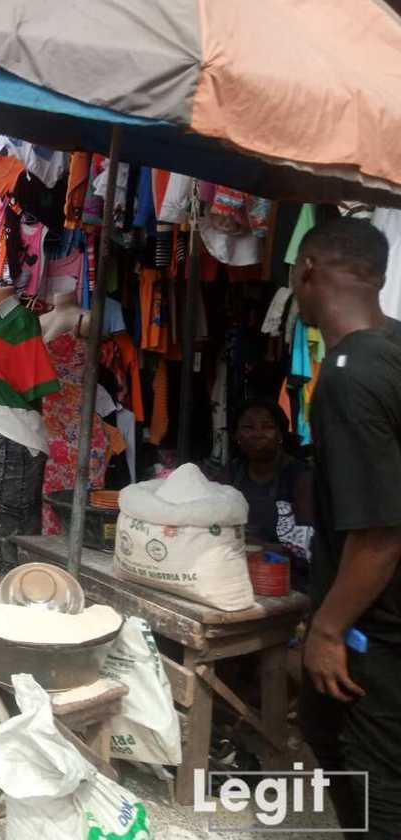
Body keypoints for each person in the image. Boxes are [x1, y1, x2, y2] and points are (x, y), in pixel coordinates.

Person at [292, 217, 401, 838]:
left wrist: (328, 629)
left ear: (306, 268)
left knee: (371, 780)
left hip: (373, 631)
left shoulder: (346, 376)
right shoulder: (392, 346)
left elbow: (381, 532)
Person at [223, 398, 314, 582]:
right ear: (237, 436)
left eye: (267, 427)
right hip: (240, 573)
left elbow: (310, 545)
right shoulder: (231, 473)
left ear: (280, 434)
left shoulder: (301, 477)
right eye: (248, 427)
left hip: (291, 579)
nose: (258, 434)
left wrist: (261, 547)